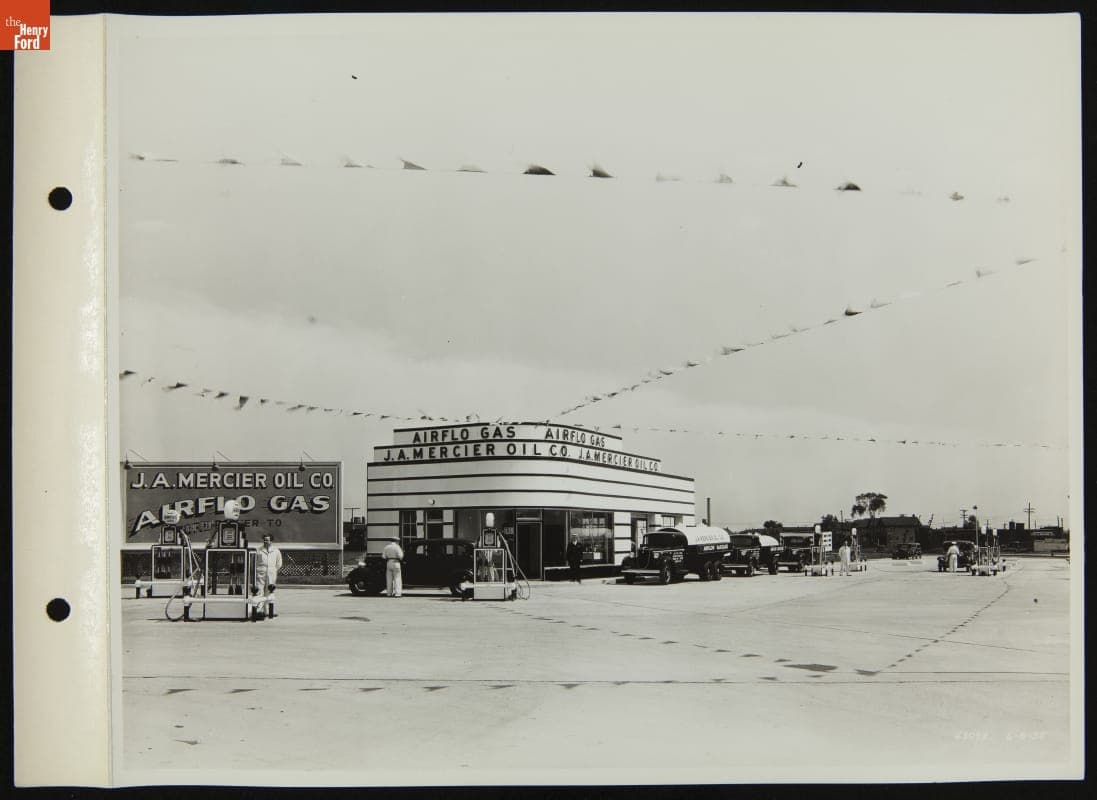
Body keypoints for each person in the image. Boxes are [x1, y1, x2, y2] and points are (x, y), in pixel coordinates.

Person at [254, 533, 283, 618]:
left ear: (271, 541)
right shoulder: (258, 550)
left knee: (270, 591)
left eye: (267, 540)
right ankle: (259, 610)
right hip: (260, 572)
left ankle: (269, 610)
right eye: (264, 540)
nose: (266, 541)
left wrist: (273, 570)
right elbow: (254, 561)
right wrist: (258, 569)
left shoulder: (276, 551)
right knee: (259, 590)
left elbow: (279, 563)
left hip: (271, 573)